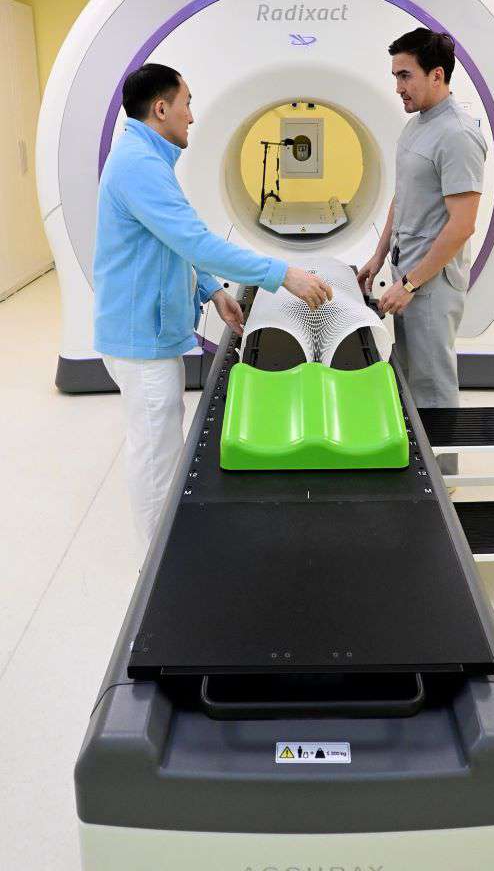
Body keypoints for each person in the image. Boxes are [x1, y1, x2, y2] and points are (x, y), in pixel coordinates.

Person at [94, 62, 332, 546]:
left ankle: (165, 545)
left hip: (147, 330)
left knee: (161, 443)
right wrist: (283, 274)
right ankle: (158, 562)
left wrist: (212, 290)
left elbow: (172, 241)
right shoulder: (140, 166)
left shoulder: (147, 158)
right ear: (161, 109)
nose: (192, 116)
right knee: (155, 455)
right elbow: (196, 241)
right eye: (186, 104)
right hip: (141, 338)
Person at [357, 28, 487, 477]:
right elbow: (402, 197)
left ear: (437, 75)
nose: (398, 87)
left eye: (405, 75)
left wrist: (411, 283)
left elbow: (462, 224)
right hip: (407, 272)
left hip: (431, 284)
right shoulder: (417, 126)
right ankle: (421, 466)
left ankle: (444, 478)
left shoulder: (457, 135)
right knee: (411, 376)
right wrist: (378, 257)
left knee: (433, 381)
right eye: (395, 76)